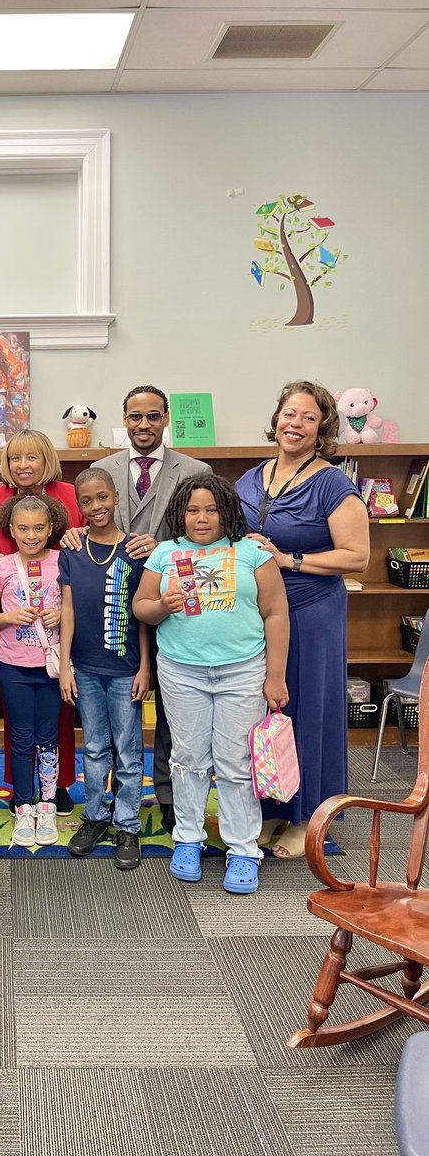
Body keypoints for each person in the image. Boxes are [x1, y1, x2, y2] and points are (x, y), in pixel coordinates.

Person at [133, 475, 290, 894]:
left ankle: (242, 849)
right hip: (182, 672)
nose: (201, 518)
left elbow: (276, 613)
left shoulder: (253, 552)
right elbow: (141, 608)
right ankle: (188, 839)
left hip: (243, 672)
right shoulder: (165, 553)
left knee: (237, 763)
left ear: (227, 511)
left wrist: (275, 675)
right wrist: (161, 606)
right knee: (187, 759)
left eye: (211, 509)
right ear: (178, 513)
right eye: (192, 510)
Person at [236, 380, 369, 858]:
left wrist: (289, 559)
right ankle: (275, 808)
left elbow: (357, 557)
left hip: (312, 611)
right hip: (259, 613)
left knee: (308, 709)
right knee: (269, 713)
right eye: (290, 414)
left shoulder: (333, 482)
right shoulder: (252, 477)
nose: (295, 424)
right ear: (276, 419)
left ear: (322, 429)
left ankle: (311, 814)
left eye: (308, 418)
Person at [72, 385, 212, 834]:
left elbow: (202, 529)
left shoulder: (195, 470)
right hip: (107, 606)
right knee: (105, 722)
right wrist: (74, 535)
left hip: (168, 602)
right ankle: (104, 802)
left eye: (153, 416)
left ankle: (169, 797)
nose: (144, 424)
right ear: (124, 419)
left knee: (172, 709)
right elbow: (91, 519)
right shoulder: (102, 469)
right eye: (135, 417)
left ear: (166, 418)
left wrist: (163, 545)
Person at [0, 429, 83, 814]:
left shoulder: (70, 496)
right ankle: (22, 791)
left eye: (33, 457)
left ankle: (56, 784)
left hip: (56, 631)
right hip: (11, 619)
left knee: (56, 720)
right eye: (16, 458)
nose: (24, 466)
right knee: (19, 724)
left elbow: (84, 545)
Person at [59, 468, 150, 870]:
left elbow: (145, 614)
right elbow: (67, 611)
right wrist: (65, 665)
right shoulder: (72, 550)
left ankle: (127, 822)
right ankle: (96, 815)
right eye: (86, 501)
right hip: (85, 667)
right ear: (78, 505)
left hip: (127, 668)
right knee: (94, 746)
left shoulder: (135, 550)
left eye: (102, 498)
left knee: (128, 751)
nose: (96, 507)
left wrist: (146, 666)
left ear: (116, 497)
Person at [0, 494, 69, 847]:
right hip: (13, 664)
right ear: (11, 530)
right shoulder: (0, 568)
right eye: (23, 529)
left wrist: (61, 615)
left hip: (52, 664)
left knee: (48, 736)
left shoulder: (64, 562)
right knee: (20, 737)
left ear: (51, 529)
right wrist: (8, 617)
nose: (31, 535)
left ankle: (46, 805)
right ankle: (22, 804)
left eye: (39, 528)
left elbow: (76, 607)